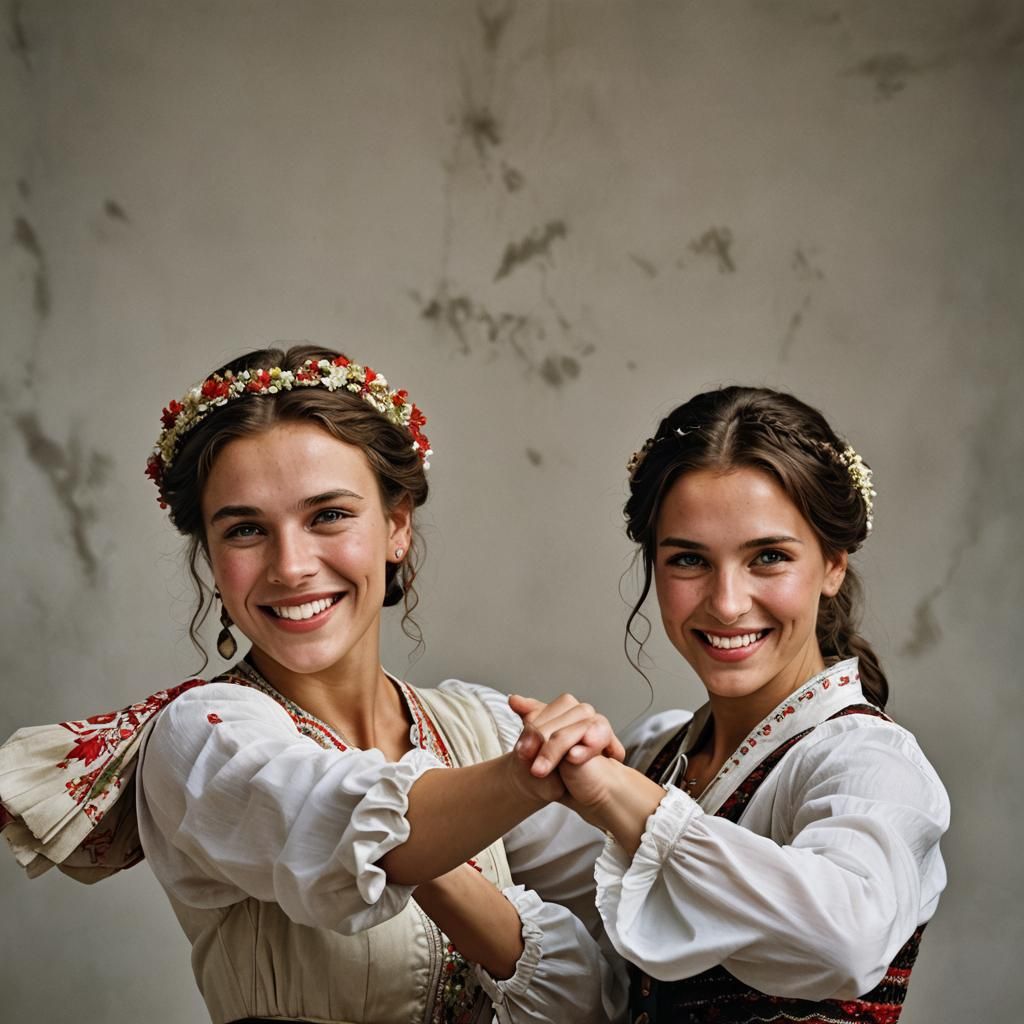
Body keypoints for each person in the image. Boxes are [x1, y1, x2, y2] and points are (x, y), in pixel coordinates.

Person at [0, 344, 626, 1024]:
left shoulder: (483, 725)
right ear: (210, 557)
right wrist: (531, 776)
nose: (292, 566)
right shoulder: (203, 741)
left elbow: (609, 971)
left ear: (396, 525)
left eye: (328, 515)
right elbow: (340, 823)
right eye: (245, 529)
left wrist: (576, 772)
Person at [514, 386, 950, 1024]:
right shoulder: (655, 753)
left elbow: (844, 941)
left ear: (833, 562)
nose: (726, 602)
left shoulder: (869, 765)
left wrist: (620, 795)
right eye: (689, 559)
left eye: (768, 557)